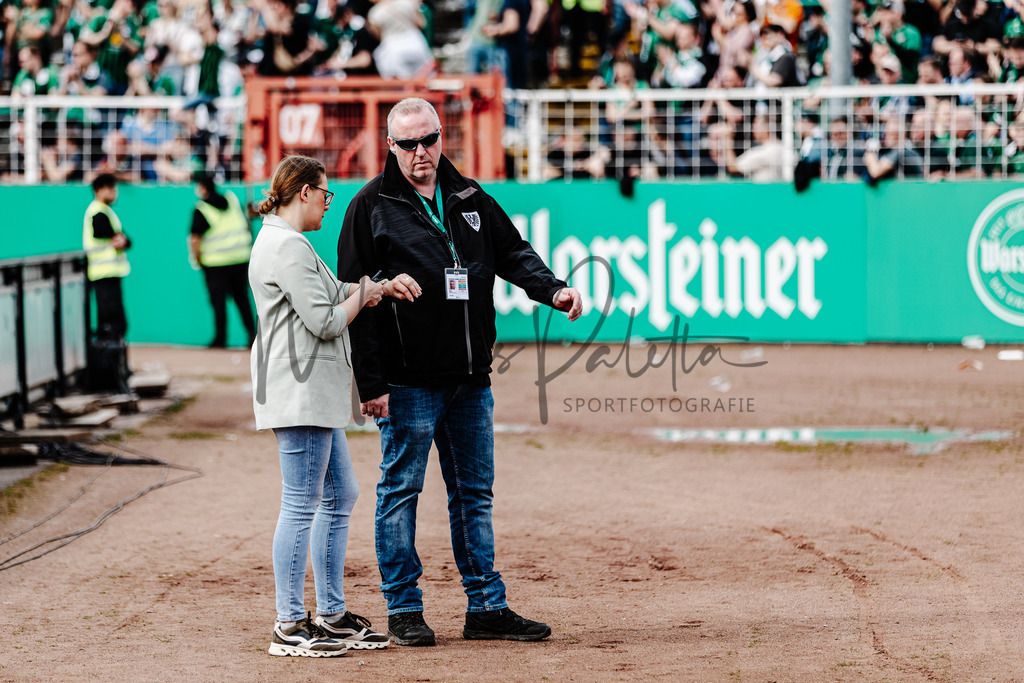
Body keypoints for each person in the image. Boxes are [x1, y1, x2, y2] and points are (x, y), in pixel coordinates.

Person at [337, 98, 583, 647]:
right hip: (407, 381)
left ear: (441, 136)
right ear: (390, 146)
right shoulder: (368, 206)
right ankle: (404, 608)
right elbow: (356, 299)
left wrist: (553, 290)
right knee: (400, 491)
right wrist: (370, 384)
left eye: (428, 139)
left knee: (474, 495)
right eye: (408, 144)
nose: (420, 152)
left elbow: (513, 253)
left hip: (471, 378)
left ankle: (487, 607)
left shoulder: (470, 195)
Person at [249, 154, 412, 657]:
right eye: (324, 193)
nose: (327, 203)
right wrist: (365, 296)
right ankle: (289, 623)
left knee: (340, 495)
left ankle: (331, 614)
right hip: (299, 392)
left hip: (308, 392)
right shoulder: (287, 246)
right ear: (304, 192)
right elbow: (325, 320)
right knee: (302, 503)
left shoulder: (288, 241)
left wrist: (376, 287)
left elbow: (335, 292)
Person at [189, 175, 258, 348]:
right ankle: (253, 336)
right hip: (240, 258)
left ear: (203, 188)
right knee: (242, 298)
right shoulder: (231, 199)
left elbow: (195, 239)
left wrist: (198, 259)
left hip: (215, 263)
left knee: (218, 302)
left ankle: (220, 339)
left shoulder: (201, 209)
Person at [83, 173, 131, 339]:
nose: (113, 192)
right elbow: (112, 235)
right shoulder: (97, 212)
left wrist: (123, 240)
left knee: (115, 319)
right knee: (110, 320)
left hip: (110, 272)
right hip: (102, 274)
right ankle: (107, 353)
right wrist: (121, 239)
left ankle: (113, 353)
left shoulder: (106, 212)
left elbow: (126, 240)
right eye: (109, 188)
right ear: (98, 190)